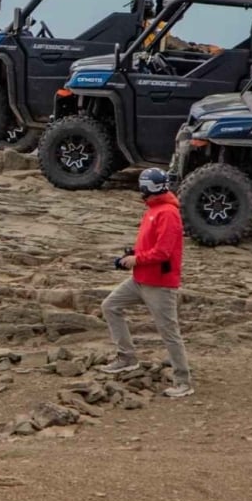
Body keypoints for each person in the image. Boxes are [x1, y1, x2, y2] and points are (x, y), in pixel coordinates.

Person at [100, 168, 195, 398]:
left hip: (159, 284)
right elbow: (152, 245)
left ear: (147, 189)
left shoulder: (167, 214)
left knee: (169, 332)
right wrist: (132, 256)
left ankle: (183, 381)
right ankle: (127, 357)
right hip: (140, 279)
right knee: (110, 306)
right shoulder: (154, 210)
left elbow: (163, 252)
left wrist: (136, 259)